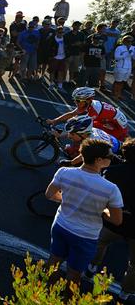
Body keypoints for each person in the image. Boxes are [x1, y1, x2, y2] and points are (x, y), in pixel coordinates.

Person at [45, 138, 123, 286]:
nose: (112, 159)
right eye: (110, 156)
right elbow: (116, 220)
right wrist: (103, 210)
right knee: (74, 274)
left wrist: (70, 201)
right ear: (99, 160)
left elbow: (50, 194)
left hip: (60, 225)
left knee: (54, 261)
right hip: (85, 236)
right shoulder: (111, 189)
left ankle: (42, 291)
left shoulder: (64, 172)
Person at [85, 138, 135, 301]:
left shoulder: (113, 171)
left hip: (112, 218)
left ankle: (92, 267)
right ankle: (125, 292)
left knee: (100, 243)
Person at [47, 87, 129, 142]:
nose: (76, 102)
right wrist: (54, 120)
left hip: (118, 128)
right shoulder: (86, 104)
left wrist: (60, 135)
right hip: (108, 121)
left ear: (89, 100)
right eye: (75, 100)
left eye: (78, 101)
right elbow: (71, 114)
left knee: (86, 134)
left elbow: (79, 126)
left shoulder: (94, 110)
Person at [56, 115, 121, 166]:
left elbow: (82, 156)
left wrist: (70, 163)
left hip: (116, 151)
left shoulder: (92, 141)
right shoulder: (87, 131)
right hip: (114, 142)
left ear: (83, 134)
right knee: (73, 148)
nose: (69, 136)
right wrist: (59, 135)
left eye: (72, 134)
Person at [113, 35, 134, 100]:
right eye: (128, 41)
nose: (129, 43)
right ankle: (115, 95)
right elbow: (116, 57)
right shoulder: (119, 48)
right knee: (118, 82)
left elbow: (133, 57)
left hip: (128, 68)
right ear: (124, 41)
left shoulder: (133, 48)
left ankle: (119, 94)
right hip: (120, 67)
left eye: (131, 41)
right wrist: (127, 54)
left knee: (123, 82)